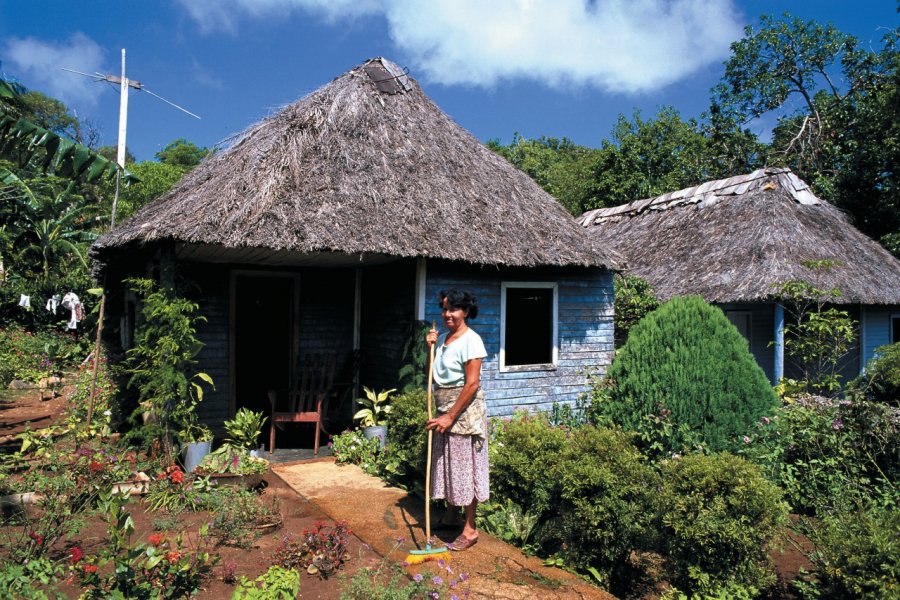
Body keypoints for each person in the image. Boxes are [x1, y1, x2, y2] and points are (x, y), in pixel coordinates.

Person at [425, 288, 488, 551]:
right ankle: (451, 515)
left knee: (465, 468)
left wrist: (450, 416)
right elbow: (438, 373)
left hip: (462, 413)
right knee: (448, 463)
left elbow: (472, 384)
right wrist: (431, 346)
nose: (447, 314)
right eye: (444, 308)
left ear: (465, 312)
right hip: (445, 410)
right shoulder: (445, 339)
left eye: (453, 309)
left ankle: (470, 528)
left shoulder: (471, 340)